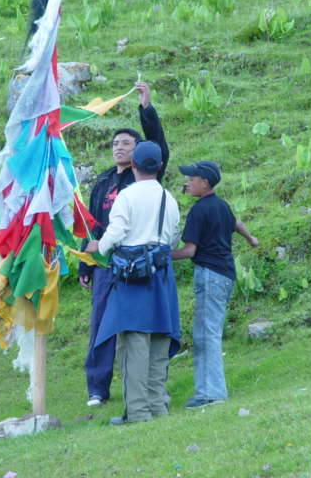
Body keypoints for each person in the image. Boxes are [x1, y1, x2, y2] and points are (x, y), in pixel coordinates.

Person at [79, 82, 169, 407]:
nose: (119, 147)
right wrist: (85, 264)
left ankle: (145, 386)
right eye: (116, 143)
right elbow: (90, 224)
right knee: (100, 323)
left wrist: (146, 107)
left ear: (138, 150)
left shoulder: (143, 177)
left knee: (138, 325)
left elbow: (159, 146)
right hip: (105, 262)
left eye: (126, 143)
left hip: (136, 261)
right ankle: (97, 389)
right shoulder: (103, 181)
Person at [85, 141, 180, 424]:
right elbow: (174, 238)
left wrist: (99, 247)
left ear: (134, 164)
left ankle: (137, 412)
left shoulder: (126, 196)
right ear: (159, 166)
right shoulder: (168, 198)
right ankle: (158, 406)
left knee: (134, 344)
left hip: (132, 277)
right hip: (161, 275)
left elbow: (116, 232)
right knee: (159, 341)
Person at [171, 161, 258, 408]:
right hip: (226, 274)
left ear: (205, 183)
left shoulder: (199, 211)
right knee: (209, 331)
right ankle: (209, 390)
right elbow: (236, 223)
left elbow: (189, 251)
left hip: (209, 275)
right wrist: (251, 239)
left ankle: (210, 393)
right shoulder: (221, 205)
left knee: (205, 334)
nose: (188, 183)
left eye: (192, 179)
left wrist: (160, 255)